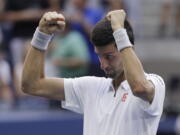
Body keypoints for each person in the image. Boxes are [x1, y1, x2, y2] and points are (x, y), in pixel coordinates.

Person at [22, 10, 165, 135]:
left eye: (109, 56)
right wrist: (41, 35)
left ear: (129, 49)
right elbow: (32, 84)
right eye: (99, 56)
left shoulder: (155, 82)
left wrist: (119, 31)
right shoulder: (92, 87)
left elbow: (139, 87)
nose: (103, 65)